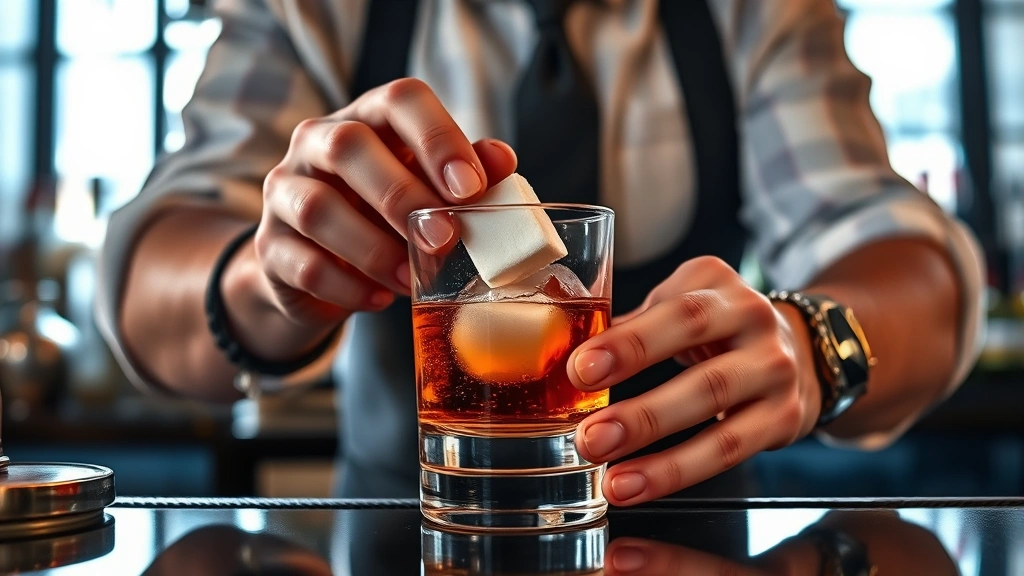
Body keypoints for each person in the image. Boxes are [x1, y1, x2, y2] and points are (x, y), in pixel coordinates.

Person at [97, 0, 984, 503]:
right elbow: (149, 280)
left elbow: (904, 256)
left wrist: (809, 343)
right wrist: (272, 279)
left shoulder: (753, 12)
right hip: (406, 529)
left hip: (692, 537)